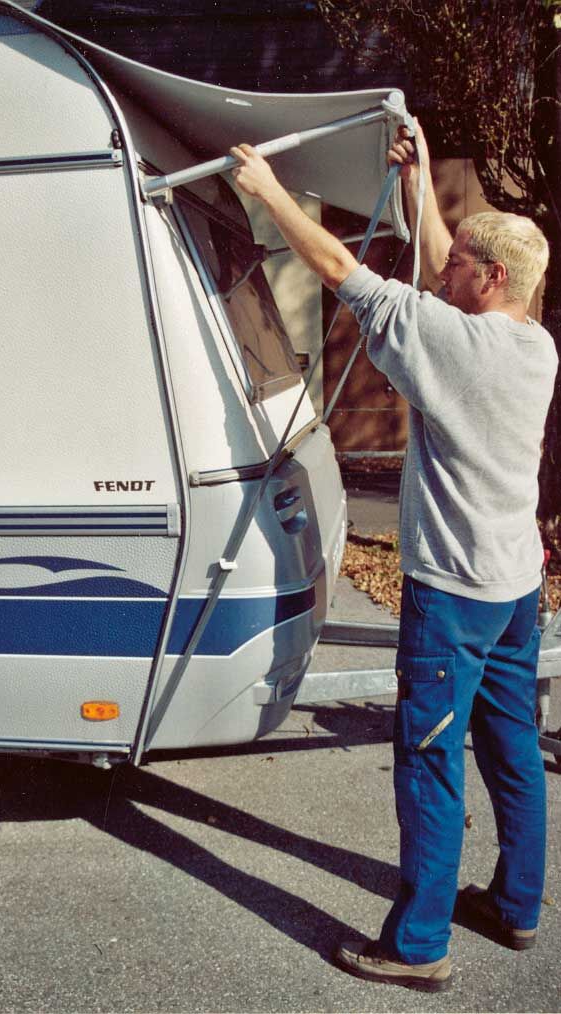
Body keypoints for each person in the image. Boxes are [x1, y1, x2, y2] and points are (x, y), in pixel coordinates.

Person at [230, 122, 558, 993]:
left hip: (452, 596)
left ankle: (418, 946)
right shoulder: (532, 342)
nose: (439, 269)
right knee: (513, 747)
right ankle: (519, 908)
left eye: (456, 267)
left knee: (431, 760)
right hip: (514, 586)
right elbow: (452, 264)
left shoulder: (450, 341)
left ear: (487, 280)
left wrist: (267, 193)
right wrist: (416, 184)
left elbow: (343, 272)